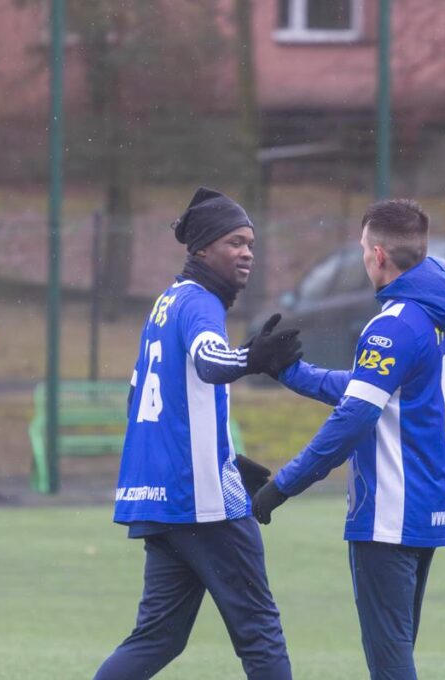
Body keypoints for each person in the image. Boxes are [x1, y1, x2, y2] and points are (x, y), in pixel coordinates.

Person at [252, 199, 445, 680]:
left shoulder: (393, 325)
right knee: (397, 658)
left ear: (377, 255)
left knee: (390, 667)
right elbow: (370, 391)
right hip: (426, 505)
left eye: (361, 249)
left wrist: (281, 487)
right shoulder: (437, 311)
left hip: (389, 513)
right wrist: (290, 372)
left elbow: (353, 418)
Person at [93, 187, 302, 680]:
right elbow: (210, 361)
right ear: (203, 249)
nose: (247, 252)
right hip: (199, 498)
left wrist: (219, 454)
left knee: (158, 638)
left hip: (163, 496)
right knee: (260, 632)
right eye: (235, 242)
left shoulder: (167, 302)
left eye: (250, 243)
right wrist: (252, 357)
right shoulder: (201, 303)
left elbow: (141, 397)